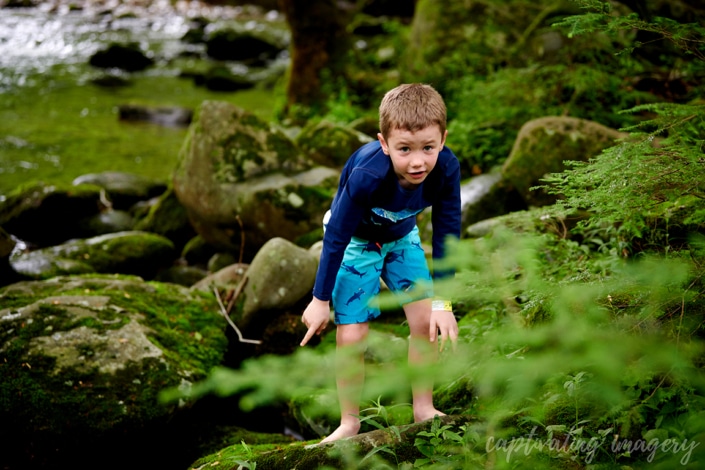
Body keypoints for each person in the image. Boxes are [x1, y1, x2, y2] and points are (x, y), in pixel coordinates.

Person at [299, 83, 461, 443]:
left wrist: (444, 303)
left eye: (428, 148)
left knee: (426, 322)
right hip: (356, 242)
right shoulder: (368, 174)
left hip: (403, 238)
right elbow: (337, 235)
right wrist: (319, 299)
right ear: (384, 143)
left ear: (443, 139)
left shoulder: (447, 168)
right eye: (404, 149)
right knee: (353, 333)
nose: (418, 161)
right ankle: (349, 422)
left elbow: (448, 234)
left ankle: (423, 407)